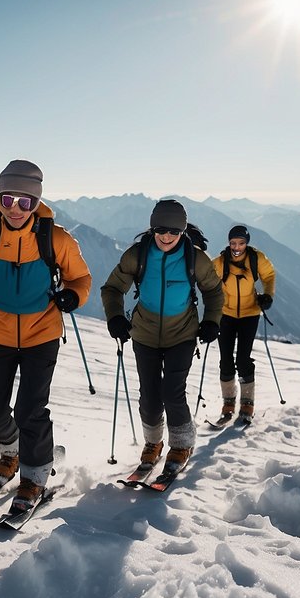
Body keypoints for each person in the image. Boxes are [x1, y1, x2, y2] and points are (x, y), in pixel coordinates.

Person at [0, 160, 92, 513]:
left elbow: (80, 279)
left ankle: (34, 477)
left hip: (43, 332)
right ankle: (13, 450)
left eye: (25, 202)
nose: (15, 209)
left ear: (37, 202)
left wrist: (73, 296)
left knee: (30, 409)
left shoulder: (56, 238)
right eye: (8, 199)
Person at [101, 200, 224, 470]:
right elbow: (112, 288)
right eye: (160, 230)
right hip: (144, 334)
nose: (166, 236)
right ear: (152, 228)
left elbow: (214, 291)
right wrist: (116, 317)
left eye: (173, 231)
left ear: (182, 231)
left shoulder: (196, 259)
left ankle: (181, 444)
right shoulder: (138, 255)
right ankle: (153, 443)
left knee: (172, 392)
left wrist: (212, 321)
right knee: (149, 396)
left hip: (182, 334)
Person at [212, 225, 277, 424]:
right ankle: (228, 403)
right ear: (229, 243)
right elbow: (207, 281)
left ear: (246, 243)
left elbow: (269, 276)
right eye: (233, 243)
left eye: (241, 243)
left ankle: (247, 403)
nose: (237, 247)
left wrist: (268, 295)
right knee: (225, 360)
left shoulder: (257, 258)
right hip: (226, 314)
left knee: (242, 359)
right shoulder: (220, 262)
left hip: (250, 313)